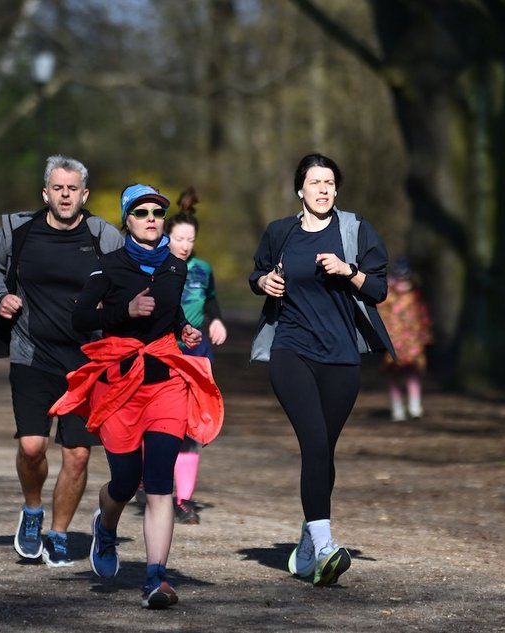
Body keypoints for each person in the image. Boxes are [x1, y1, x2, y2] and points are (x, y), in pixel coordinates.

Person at [49, 184, 223, 609]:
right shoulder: (108, 267)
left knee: (159, 482)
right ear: (126, 220)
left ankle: (156, 578)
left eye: (157, 213)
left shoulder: (176, 267)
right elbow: (79, 319)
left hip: (166, 382)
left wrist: (184, 327)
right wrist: (122, 313)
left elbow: (173, 309)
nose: (151, 218)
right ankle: (105, 527)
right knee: (126, 482)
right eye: (141, 212)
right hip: (122, 387)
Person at [248, 153, 394, 586]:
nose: (323, 189)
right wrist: (263, 283)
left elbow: (380, 289)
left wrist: (349, 272)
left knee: (323, 452)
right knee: (313, 440)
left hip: (342, 359)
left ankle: (310, 540)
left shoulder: (355, 230)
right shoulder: (281, 232)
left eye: (330, 182)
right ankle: (327, 544)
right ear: (300, 189)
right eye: (315, 182)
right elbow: (256, 273)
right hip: (291, 350)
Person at [0, 155, 123, 567]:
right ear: (46, 193)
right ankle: (32, 510)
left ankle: (59, 533)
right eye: (57, 188)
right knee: (31, 446)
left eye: (72, 189)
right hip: (32, 355)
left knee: (77, 454)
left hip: (85, 363)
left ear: (84, 194)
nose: (64, 195)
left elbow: (127, 276)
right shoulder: (19, 230)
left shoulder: (103, 236)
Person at [163, 186, 227, 525]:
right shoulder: (157, 266)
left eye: (190, 239)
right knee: (161, 424)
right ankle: (151, 480)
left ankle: (184, 499)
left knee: (192, 429)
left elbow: (212, 300)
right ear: (166, 237)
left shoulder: (202, 269)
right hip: (165, 353)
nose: (185, 246)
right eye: (179, 239)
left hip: (198, 356)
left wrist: (216, 321)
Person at [378, 256, 432, 420]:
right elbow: (381, 317)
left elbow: (422, 317)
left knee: (413, 373)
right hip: (393, 341)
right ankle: (398, 408)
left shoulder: (415, 296)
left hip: (412, 342)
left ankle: (414, 406)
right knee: (394, 375)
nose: (402, 283)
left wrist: (425, 335)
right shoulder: (386, 296)